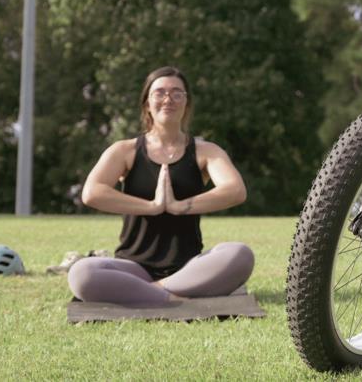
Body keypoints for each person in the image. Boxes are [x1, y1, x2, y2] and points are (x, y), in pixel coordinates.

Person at [69, 66, 254, 304]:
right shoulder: (125, 150)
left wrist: (179, 206)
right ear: (147, 103)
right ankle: (176, 297)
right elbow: (92, 193)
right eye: (160, 93)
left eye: (177, 94)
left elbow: (235, 190)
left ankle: (151, 292)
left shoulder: (205, 152)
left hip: (189, 268)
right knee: (82, 273)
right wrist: (153, 206)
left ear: (186, 104)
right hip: (133, 267)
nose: (168, 99)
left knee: (240, 254)